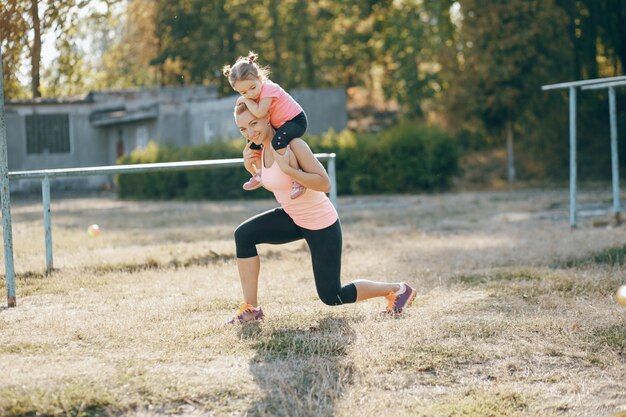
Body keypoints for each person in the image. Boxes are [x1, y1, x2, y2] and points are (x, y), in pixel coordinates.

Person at [228, 101, 416, 324]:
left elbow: (324, 183)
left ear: (267, 117)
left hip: (320, 222)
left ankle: (398, 290)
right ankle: (251, 309)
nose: (250, 133)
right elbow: (274, 182)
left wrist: (290, 170)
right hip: (292, 216)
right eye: (243, 129)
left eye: (253, 124)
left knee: (332, 295)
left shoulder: (294, 145)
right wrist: (251, 166)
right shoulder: (260, 150)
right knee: (244, 235)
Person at [223, 51, 307, 199]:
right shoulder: (251, 94)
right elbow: (239, 104)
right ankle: (259, 174)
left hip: (295, 121)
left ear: (260, 78)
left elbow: (260, 112)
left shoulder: (269, 89)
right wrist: (244, 100)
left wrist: (245, 100)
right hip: (280, 123)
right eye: (243, 92)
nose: (250, 94)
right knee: (253, 142)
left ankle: (298, 179)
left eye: (252, 88)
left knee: (278, 142)